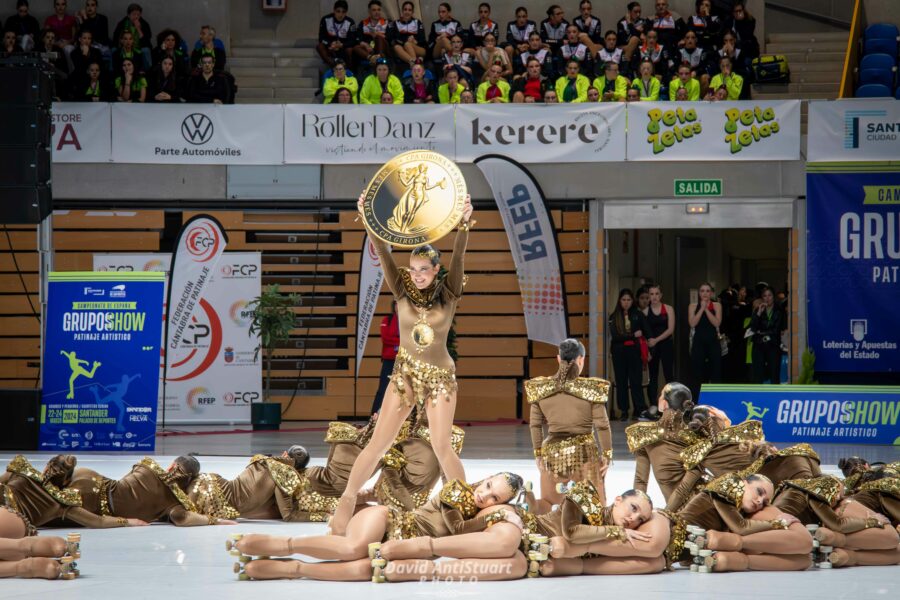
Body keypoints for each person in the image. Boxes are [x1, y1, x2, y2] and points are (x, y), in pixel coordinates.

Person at [326, 193, 475, 537]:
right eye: (413, 269)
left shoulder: (449, 292)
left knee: (441, 445)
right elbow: (382, 252)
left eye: (425, 269)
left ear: (436, 270)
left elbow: (460, 255)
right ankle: (346, 504)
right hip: (405, 374)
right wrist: (366, 216)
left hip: (440, 378)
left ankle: (463, 511)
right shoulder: (401, 291)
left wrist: (464, 223)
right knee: (378, 443)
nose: (418, 275)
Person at [229, 474, 522, 581]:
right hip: (388, 520)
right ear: (483, 478)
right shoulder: (456, 491)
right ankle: (282, 545)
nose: (485, 495)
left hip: (398, 547)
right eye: (487, 485)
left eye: (495, 498)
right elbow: (458, 528)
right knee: (352, 548)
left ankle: (290, 568)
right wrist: (490, 518)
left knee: (365, 570)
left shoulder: (484, 515)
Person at [528, 338, 612, 511]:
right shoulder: (592, 388)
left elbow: (535, 425)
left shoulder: (540, 388)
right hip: (585, 454)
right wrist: (607, 453)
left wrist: (537, 453)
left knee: (550, 507)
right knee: (593, 509)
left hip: (552, 454)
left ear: (558, 359)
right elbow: (602, 425)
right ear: (581, 359)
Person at [677, 471, 813, 573]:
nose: (760, 501)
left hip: (699, 550)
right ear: (744, 482)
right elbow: (741, 527)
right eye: (759, 492)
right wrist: (778, 523)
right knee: (805, 549)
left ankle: (732, 559)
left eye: (765, 501)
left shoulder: (742, 507)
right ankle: (731, 555)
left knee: (806, 559)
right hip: (679, 537)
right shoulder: (729, 484)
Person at [0, 455, 146, 535]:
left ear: (46, 467)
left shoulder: (23, 471)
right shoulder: (61, 502)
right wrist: (126, 521)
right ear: (67, 480)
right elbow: (98, 522)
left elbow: (4, 478)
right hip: (10, 518)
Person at [67, 455, 232, 526]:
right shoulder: (174, 502)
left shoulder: (146, 465)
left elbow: (125, 483)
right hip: (93, 506)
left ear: (172, 466)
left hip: (89, 477)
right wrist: (214, 520)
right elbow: (182, 519)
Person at [773, 475, 896, 568]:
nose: (838, 498)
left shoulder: (798, 489)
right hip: (783, 531)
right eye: (838, 493)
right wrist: (871, 521)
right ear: (829, 488)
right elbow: (838, 524)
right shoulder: (816, 494)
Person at [627, 383, 705, 511]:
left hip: (690, 512)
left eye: (661, 394)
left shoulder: (644, 434)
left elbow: (641, 481)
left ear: (664, 403)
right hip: (701, 504)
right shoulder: (698, 434)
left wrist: (666, 514)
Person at [609, 289, 646, 421]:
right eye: (623, 300)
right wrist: (632, 336)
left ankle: (639, 410)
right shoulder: (614, 316)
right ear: (620, 301)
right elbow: (616, 337)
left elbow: (645, 332)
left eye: (628, 300)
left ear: (632, 301)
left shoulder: (638, 314)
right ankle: (624, 410)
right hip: (619, 353)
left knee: (636, 381)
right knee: (621, 381)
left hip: (634, 352)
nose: (626, 303)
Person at [688, 282, 722, 398]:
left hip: (713, 341)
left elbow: (717, 322)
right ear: (699, 293)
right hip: (699, 342)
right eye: (702, 291)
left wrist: (706, 309)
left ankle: (716, 399)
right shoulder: (692, 306)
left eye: (707, 291)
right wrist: (701, 308)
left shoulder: (716, 305)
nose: (705, 293)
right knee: (697, 372)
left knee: (715, 371)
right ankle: (697, 400)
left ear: (711, 293)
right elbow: (692, 323)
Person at [643, 285, 674, 411]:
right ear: (649, 296)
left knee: (668, 374)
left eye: (656, 294)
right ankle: (653, 404)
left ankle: (672, 403)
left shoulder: (668, 309)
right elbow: (644, 332)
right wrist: (647, 347)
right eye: (652, 294)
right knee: (653, 376)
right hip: (652, 347)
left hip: (666, 344)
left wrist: (656, 340)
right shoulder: (645, 312)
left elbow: (670, 329)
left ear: (661, 295)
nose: (654, 296)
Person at [750, 285, 785, 384]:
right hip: (759, 345)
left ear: (773, 297)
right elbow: (753, 328)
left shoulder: (779, 310)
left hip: (773, 345)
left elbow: (776, 330)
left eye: (770, 295)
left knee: (774, 375)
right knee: (758, 375)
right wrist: (759, 313)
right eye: (765, 296)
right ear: (762, 298)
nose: (767, 298)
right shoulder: (758, 310)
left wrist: (761, 332)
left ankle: (775, 397)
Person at [372, 301, 400, 414]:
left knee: (407, 391)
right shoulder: (387, 320)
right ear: (393, 306)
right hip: (390, 360)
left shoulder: (410, 321)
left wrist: (399, 343)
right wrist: (402, 342)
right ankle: (373, 416)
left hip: (406, 361)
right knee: (383, 389)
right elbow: (386, 338)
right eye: (397, 304)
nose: (399, 307)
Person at [111, 2, 151, 70]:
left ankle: (147, 72)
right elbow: (116, 38)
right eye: (134, 14)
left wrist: (138, 29)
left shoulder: (144, 24)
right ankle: (113, 72)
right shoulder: (122, 24)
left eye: (138, 15)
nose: (136, 17)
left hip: (138, 48)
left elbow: (146, 42)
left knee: (146, 50)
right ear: (128, 15)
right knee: (113, 50)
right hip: (124, 46)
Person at [387, 0, 426, 68]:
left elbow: (422, 39)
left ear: (412, 12)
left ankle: (415, 66)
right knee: (397, 47)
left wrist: (415, 41)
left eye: (409, 10)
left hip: (419, 48)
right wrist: (406, 41)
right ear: (402, 11)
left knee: (408, 44)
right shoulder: (395, 23)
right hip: (402, 48)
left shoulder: (417, 22)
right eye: (405, 9)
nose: (407, 12)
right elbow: (393, 39)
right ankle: (414, 64)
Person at [317, 0, 354, 68]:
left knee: (350, 49)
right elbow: (321, 38)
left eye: (343, 12)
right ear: (334, 11)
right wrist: (330, 44)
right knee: (320, 46)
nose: (341, 14)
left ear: (346, 12)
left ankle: (348, 69)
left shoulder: (350, 22)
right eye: (338, 11)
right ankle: (334, 65)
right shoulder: (325, 19)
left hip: (343, 47)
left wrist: (342, 45)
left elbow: (352, 40)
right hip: (330, 46)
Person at [352, 0, 389, 68]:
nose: (377, 12)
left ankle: (379, 59)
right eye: (374, 10)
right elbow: (358, 38)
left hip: (383, 48)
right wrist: (365, 45)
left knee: (379, 38)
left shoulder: (386, 22)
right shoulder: (363, 23)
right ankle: (372, 58)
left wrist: (377, 34)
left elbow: (391, 38)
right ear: (369, 12)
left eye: (378, 10)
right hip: (369, 49)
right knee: (356, 48)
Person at [617, 2, 648, 68]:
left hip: (638, 45)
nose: (638, 14)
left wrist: (630, 25)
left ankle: (625, 67)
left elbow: (642, 38)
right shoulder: (622, 23)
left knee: (634, 40)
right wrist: (636, 30)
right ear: (629, 12)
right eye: (635, 12)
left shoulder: (643, 22)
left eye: (639, 12)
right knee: (634, 40)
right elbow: (624, 40)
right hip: (623, 46)